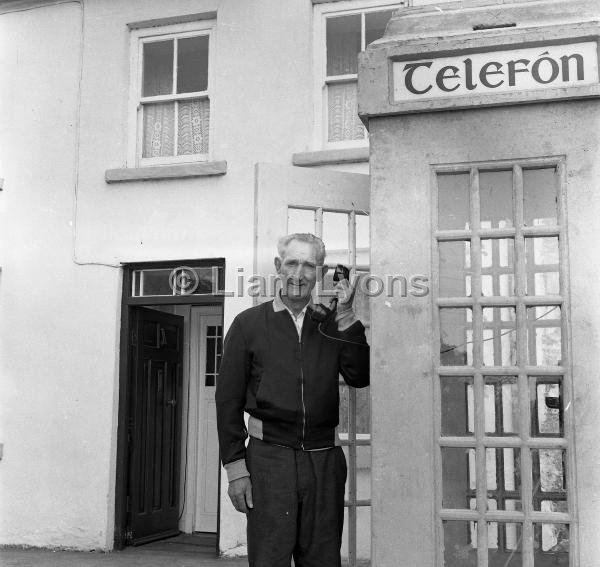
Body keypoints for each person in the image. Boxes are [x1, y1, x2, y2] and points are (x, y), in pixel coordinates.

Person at [216, 233, 370, 567]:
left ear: (320, 272)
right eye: (291, 263)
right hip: (268, 460)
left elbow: (360, 375)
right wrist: (235, 468)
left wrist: (346, 314)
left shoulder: (332, 323)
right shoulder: (248, 324)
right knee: (269, 560)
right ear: (278, 266)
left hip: (323, 461)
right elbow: (227, 400)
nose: (298, 273)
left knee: (322, 560)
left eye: (308, 265)